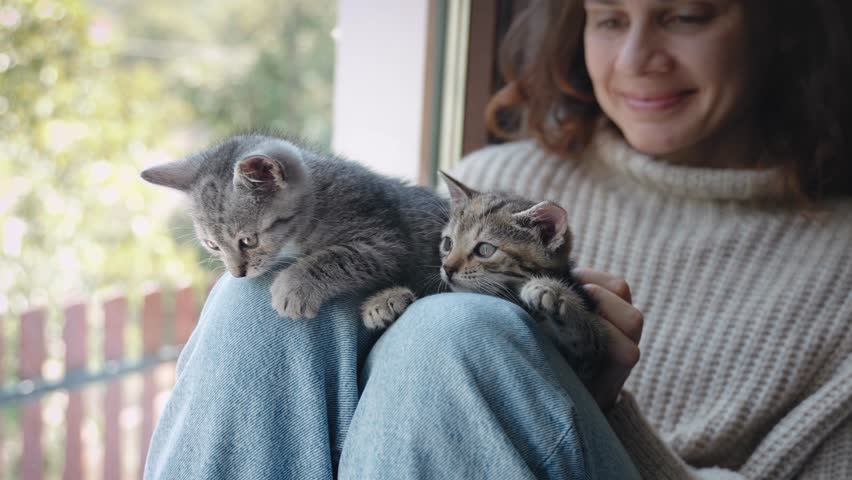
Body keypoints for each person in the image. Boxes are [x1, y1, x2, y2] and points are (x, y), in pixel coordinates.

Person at [144, 0, 852, 478]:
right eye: (608, 17)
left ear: (779, 25)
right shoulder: (491, 180)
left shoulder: (838, 261)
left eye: (686, 16)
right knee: (255, 305)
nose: (638, 56)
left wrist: (600, 405)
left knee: (454, 332)